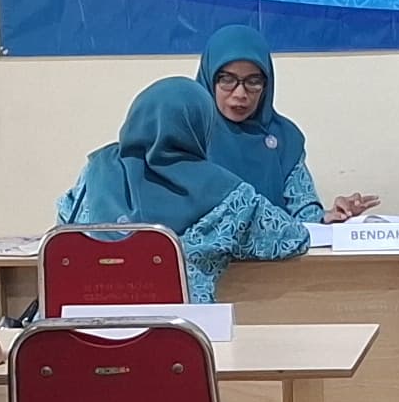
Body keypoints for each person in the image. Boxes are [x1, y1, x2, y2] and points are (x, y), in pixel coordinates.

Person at [57, 75, 314, 300]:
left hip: (81, 321)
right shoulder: (226, 193)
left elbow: (64, 223)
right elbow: (293, 238)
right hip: (179, 330)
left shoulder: (97, 170)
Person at [198, 24, 378, 223]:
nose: (240, 93)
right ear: (209, 78)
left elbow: (303, 211)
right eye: (227, 80)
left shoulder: (285, 138)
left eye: (253, 81)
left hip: (279, 244)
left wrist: (330, 217)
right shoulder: (190, 135)